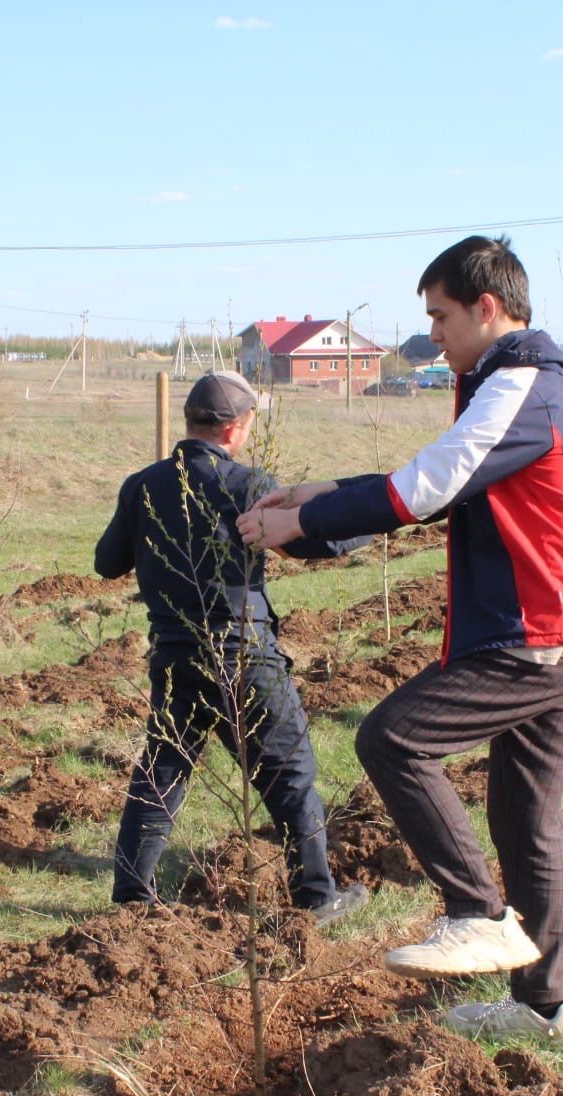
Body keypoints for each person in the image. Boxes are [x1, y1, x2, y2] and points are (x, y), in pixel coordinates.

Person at [240, 235, 563, 1049]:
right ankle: (547, 1010)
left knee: (394, 738)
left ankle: (476, 914)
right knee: (526, 817)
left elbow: (430, 486)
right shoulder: (520, 385)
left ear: (488, 309)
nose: (434, 333)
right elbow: (447, 476)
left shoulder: (523, 385)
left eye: (441, 316)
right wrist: (322, 494)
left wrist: (303, 523)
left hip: (542, 635)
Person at [94, 369, 371, 925]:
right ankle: (317, 897)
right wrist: (373, 518)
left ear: (193, 421)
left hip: (174, 657)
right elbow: (317, 544)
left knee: (162, 769)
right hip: (244, 655)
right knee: (290, 769)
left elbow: (106, 563)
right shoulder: (246, 484)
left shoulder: (141, 486)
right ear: (236, 427)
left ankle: (131, 899)